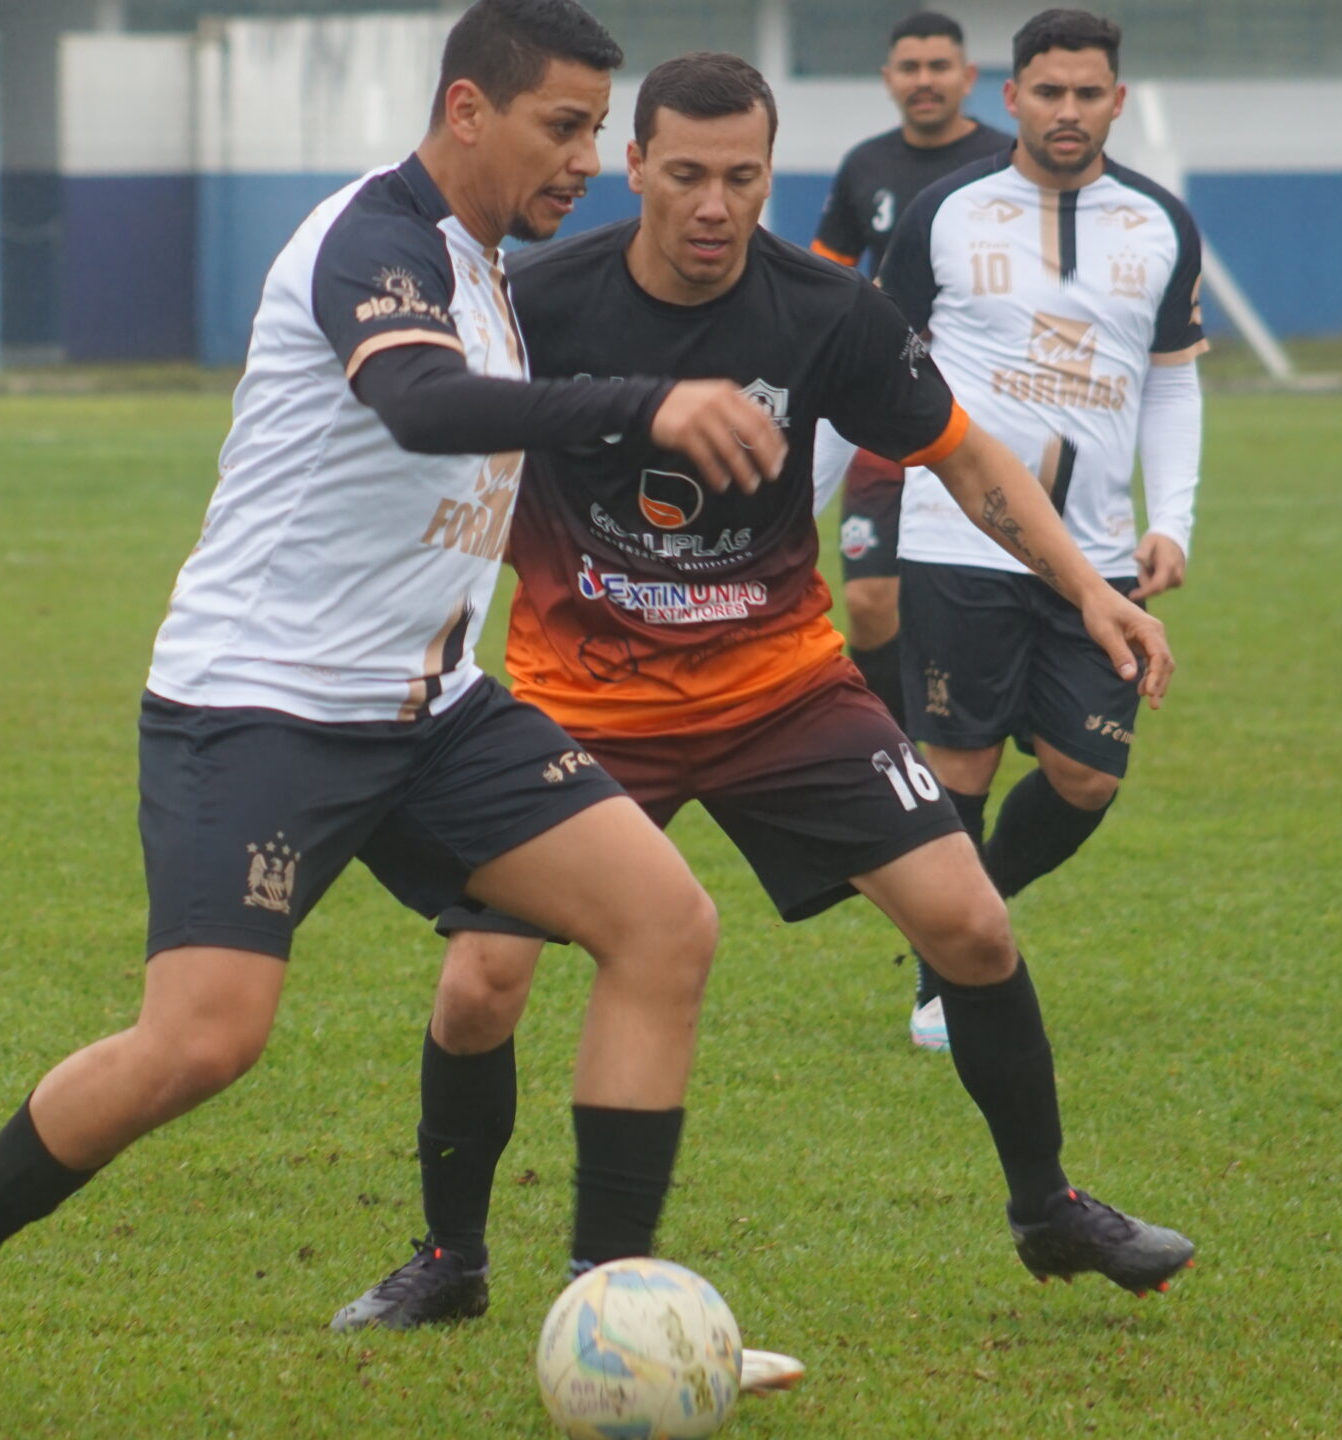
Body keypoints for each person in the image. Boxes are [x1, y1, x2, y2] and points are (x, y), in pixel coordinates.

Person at [0, 3, 798, 1429]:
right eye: (563, 128)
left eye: (593, 132)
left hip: (430, 706)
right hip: (260, 706)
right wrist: (650, 405)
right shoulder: (373, 242)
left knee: (664, 925)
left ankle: (623, 1313)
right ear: (467, 110)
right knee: (204, 1041)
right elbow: (420, 404)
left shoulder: (488, 268)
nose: (586, 160)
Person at [326, 52, 1197, 1369]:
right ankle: (451, 1259)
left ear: (770, 176)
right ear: (634, 168)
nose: (713, 205)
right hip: (580, 695)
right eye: (685, 175)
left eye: (742, 178)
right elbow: (435, 435)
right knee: (479, 986)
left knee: (970, 924)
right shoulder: (539, 300)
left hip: (780, 689)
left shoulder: (825, 310)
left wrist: (1090, 590)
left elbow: (964, 457)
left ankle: (1048, 1208)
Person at [864, 8, 1206, 1045]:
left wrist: (1173, 518)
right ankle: (944, 980)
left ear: (1117, 100)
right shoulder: (945, 212)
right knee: (960, 767)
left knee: (1086, 776)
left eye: (1087, 93)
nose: (1068, 110)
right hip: (954, 542)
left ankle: (968, 910)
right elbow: (872, 364)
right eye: (1048, 92)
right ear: (1010, 97)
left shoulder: (1160, 224)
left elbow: (1171, 383)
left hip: (1097, 557)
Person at [811, 11, 1013, 731]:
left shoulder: (1006, 164)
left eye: (938, 67)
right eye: (910, 67)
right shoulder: (865, 166)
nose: (924, 80)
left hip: (985, 412)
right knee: (868, 602)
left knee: (981, 604)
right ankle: (895, 749)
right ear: (889, 78)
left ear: (968, 76)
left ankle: (972, 740)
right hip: (883, 409)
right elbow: (828, 280)